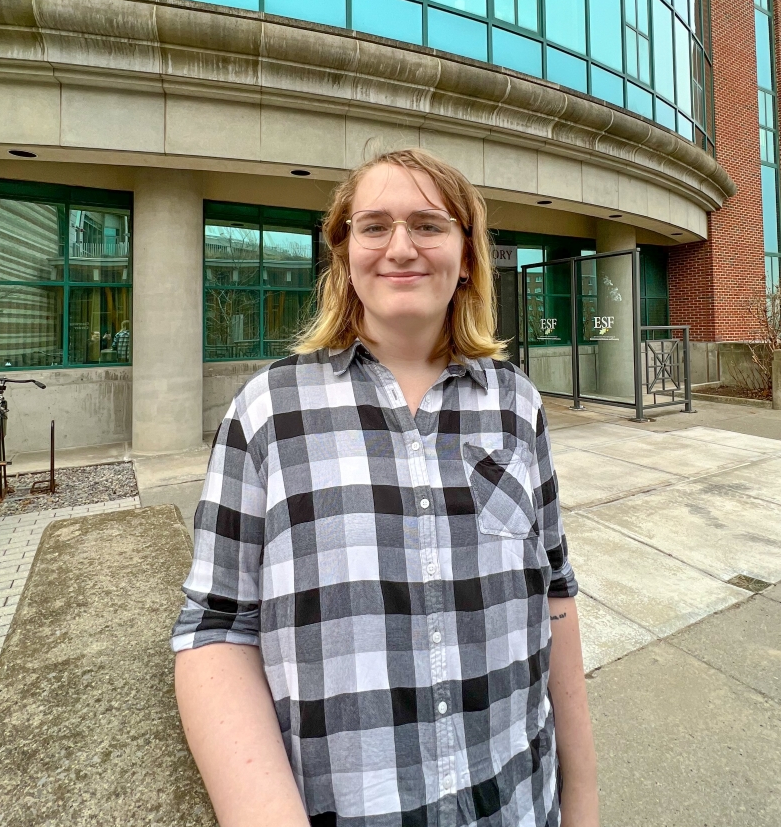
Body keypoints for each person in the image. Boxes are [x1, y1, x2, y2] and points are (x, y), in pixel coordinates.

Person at [172, 148, 599, 827]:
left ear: (466, 256)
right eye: (374, 227)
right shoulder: (267, 413)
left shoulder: (517, 406)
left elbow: (554, 594)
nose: (401, 247)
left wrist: (582, 803)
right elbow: (216, 628)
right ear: (344, 254)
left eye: (428, 225)